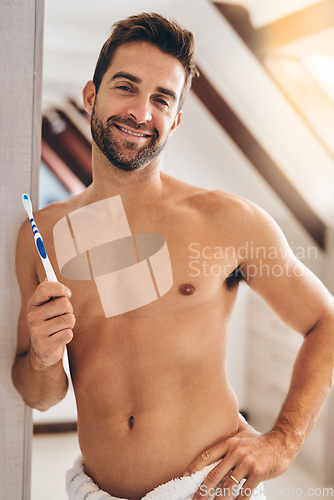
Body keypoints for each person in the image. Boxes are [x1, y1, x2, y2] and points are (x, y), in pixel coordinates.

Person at [12, 12, 334, 500]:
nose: (141, 112)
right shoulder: (45, 234)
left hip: (209, 489)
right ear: (90, 96)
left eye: (162, 99)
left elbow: (326, 321)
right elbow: (40, 394)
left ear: (177, 120)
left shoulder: (227, 220)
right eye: (126, 87)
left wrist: (283, 443)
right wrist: (40, 355)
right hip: (94, 490)